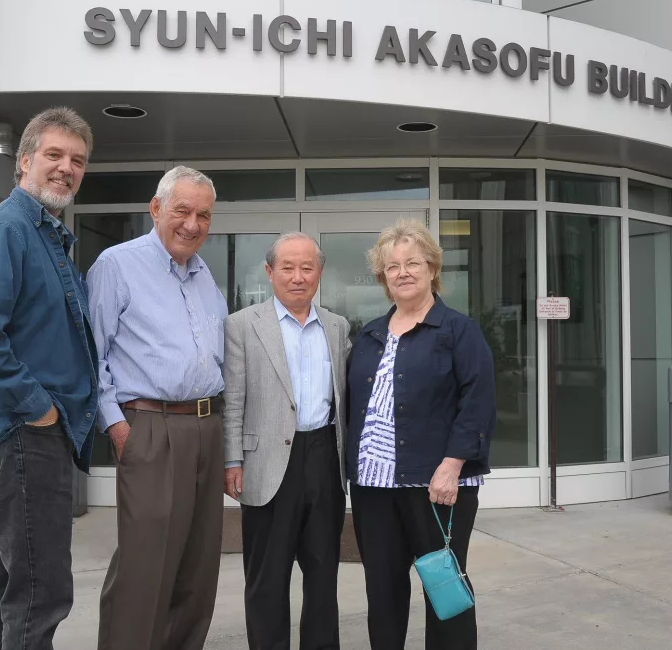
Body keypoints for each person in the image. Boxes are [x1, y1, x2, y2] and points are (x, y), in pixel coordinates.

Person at [0, 106, 98, 650]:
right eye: (54, 155)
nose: (65, 168)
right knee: (41, 591)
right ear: (26, 161)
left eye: (77, 160)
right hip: (22, 435)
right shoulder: (2, 230)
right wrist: (40, 409)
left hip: (32, 436)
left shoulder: (48, 238)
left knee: (6, 578)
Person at [87, 165, 227, 650]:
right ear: (156, 208)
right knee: (145, 564)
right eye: (182, 211)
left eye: (203, 215)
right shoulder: (117, 264)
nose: (192, 224)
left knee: (198, 562)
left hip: (208, 426)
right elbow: (92, 355)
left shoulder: (204, 274)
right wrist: (118, 427)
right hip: (149, 426)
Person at [346, 219, 496, 650]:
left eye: (413, 262)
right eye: (392, 266)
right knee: (383, 590)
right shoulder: (371, 334)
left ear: (432, 268)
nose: (403, 272)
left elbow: (478, 404)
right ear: (383, 276)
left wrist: (451, 466)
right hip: (375, 488)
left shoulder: (458, 331)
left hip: (438, 487)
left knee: (444, 588)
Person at [222, 232, 352, 650]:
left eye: (307, 267)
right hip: (266, 463)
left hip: (323, 458)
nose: (298, 277)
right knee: (266, 577)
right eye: (287, 267)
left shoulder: (336, 326)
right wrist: (232, 460)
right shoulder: (243, 324)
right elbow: (234, 396)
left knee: (322, 573)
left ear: (320, 273)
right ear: (269, 272)